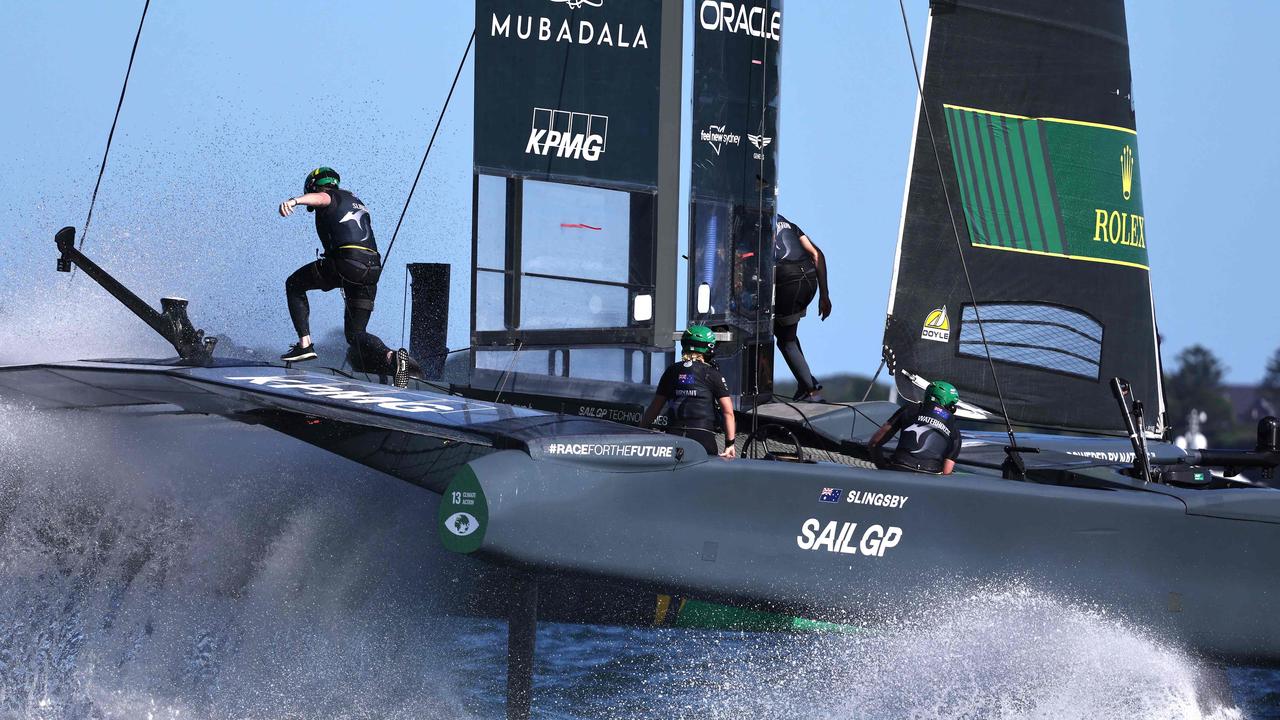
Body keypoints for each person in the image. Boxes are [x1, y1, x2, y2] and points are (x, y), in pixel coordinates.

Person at [278, 167, 382, 362]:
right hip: (372, 270)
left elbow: (321, 198)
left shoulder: (329, 196)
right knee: (355, 335)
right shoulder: (356, 202)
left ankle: (304, 345)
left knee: (294, 284)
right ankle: (391, 357)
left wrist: (294, 201)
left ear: (313, 186)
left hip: (347, 264)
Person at [640, 325, 737, 459]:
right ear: (709, 348)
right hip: (703, 438)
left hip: (673, 437)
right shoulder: (713, 374)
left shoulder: (671, 371)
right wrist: (729, 444)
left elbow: (654, 408)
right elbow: (728, 412)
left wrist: (641, 432)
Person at [773, 214, 831, 402]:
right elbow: (817, 254)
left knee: (785, 340)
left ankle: (811, 391)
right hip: (809, 280)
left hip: (788, 282)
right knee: (787, 333)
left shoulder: (753, 222)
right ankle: (805, 383)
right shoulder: (789, 224)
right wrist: (824, 295)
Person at [868, 380, 962, 475]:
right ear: (950, 405)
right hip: (929, 476)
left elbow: (875, 443)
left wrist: (882, 467)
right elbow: (947, 471)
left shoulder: (910, 409)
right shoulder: (954, 430)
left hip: (899, 468)